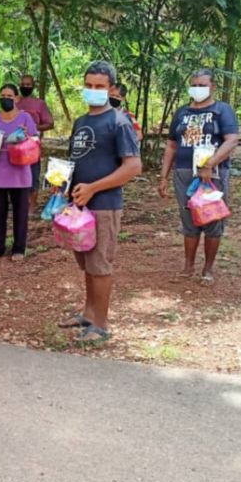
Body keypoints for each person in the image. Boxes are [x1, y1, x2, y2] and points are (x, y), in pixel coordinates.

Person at [58, 61, 142, 344]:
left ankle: (101, 326)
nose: (93, 90)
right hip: (78, 206)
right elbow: (76, 160)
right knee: (87, 263)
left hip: (104, 205)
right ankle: (88, 314)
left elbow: (133, 167)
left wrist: (93, 188)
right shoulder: (81, 122)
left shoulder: (119, 122)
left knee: (100, 264)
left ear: (111, 89)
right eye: (89, 85)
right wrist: (62, 187)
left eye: (99, 86)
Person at [158, 69, 240, 284]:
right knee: (188, 219)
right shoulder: (182, 112)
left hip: (212, 174)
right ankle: (188, 266)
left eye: (202, 85)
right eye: (194, 85)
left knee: (212, 217)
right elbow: (171, 145)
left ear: (213, 87)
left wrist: (210, 164)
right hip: (184, 172)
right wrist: (163, 176)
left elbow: (231, 140)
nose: (198, 89)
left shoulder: (222, 110)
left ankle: (208, 269)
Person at [0, 84, 39, 261]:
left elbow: (35, 140)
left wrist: (26, 136)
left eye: (9, 96)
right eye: (3, 96)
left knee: (20, 213)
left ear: (16, 98)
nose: (5, 99)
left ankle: (19, 248)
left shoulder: (25, 117)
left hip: (19, 172)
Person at [17, 73, 54, 210]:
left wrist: (33, 127)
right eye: (23, 84)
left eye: (28, 85)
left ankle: (32, 205)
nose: (25, 87)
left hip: (32, 145)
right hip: (15, 145)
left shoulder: (39, 104)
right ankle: (19, 203)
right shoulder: (15, 102)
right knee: (17, 174)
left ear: (33, 86)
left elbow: (50, 123)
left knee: (33, 174)